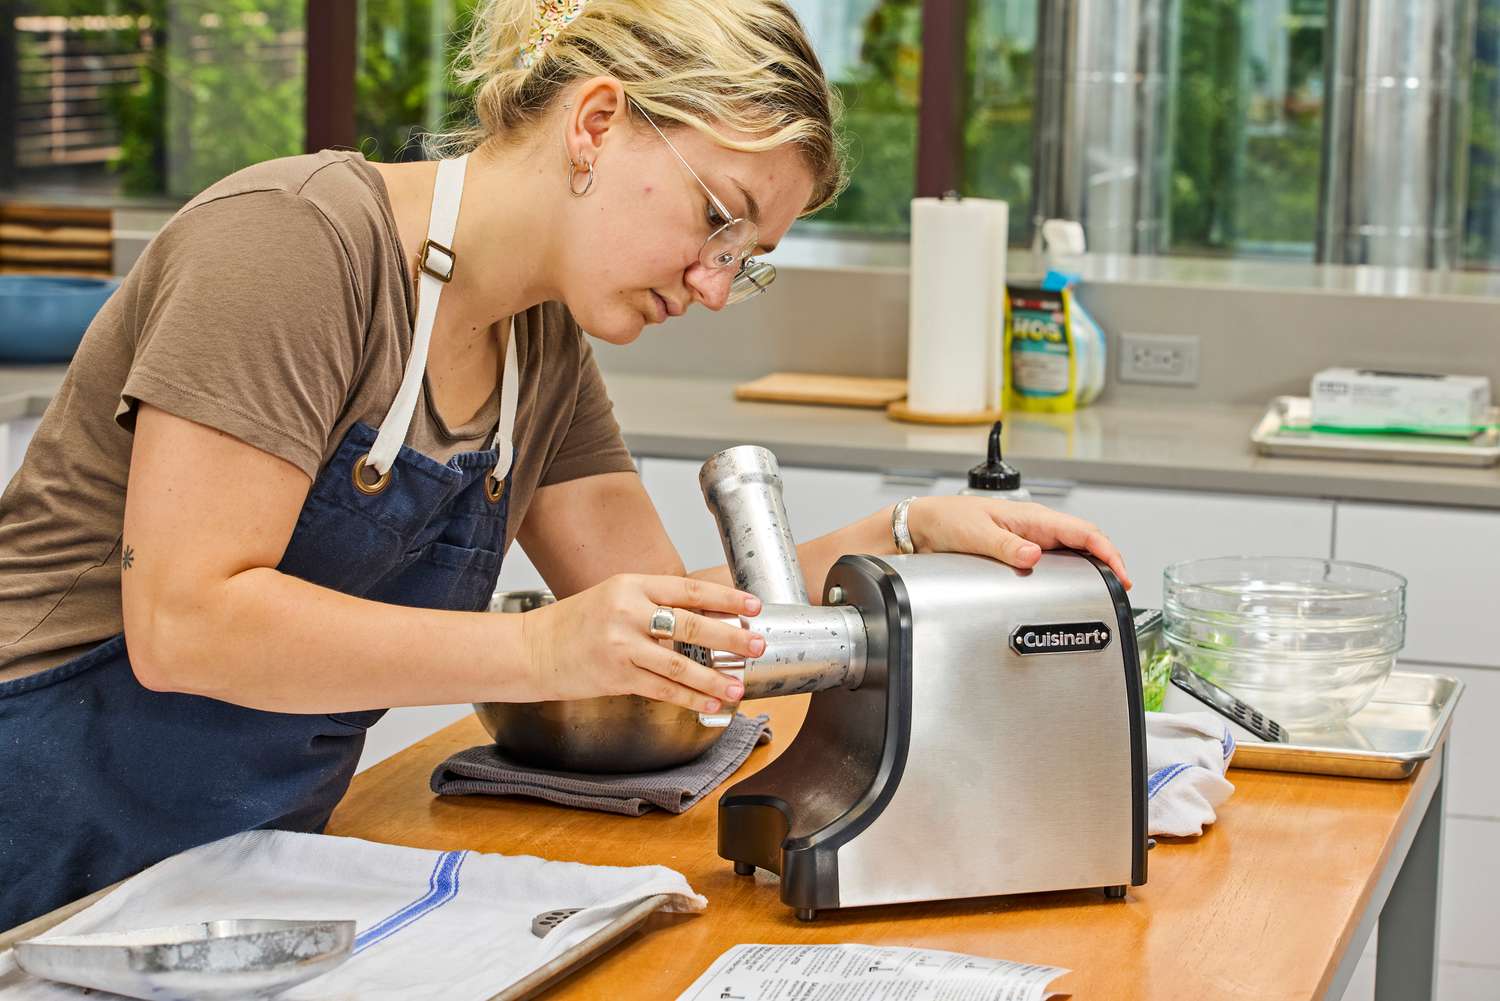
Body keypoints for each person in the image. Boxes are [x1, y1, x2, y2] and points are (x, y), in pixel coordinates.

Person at [0, 0, 1129, 929]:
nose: (715, 286)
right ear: (596, 122)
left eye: (747, 259)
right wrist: (544, 644)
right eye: (719, 218)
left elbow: (675, 626)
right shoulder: (291, 245)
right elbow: (186, 621)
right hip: (39, 838)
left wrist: (905, 535)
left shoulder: (540, 348)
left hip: (223, 872)